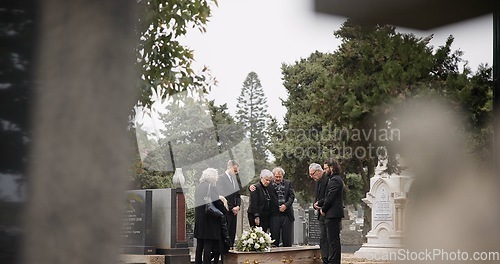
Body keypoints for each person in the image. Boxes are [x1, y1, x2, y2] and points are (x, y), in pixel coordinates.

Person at [249, 167, 295, 247]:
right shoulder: (268, 184)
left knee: (287, 240)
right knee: (274, 240)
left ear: (283, 176)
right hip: (274, 214)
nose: (278, 178)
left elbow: (292, 196)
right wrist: (250, 187)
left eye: (280, 177)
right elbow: (259, 186)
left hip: (287, 214)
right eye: (276, 176)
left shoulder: (288, 183)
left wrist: (286, 205)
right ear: (273, 176)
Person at [194, 168, 229, 264]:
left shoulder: (198, 187)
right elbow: (217, 202)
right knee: (208, 247)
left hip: (200, 219)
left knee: (199, 246)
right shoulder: (211, 187)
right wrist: (225, 210)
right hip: (210, 221)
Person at [320, 159, 344, 264]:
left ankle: (334, 261)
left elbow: (330, 197)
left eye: (326, 168)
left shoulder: (335, 180)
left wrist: (323, 209)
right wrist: (319, 203)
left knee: (333, 241)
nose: (324, 171)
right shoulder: (332, 179)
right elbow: (327, 196)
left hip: (332, 214)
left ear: (332, 168)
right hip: (332, 214)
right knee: (332, 240)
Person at [216, 160, 241, 248]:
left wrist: (238, 206)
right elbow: (222, 195)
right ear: (229, 167)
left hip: (234, 212)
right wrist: (231, 208)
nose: (236, 173)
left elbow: (238, 195)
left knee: (232, 233)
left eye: (237, 171)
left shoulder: (235, 180)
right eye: (234, 171)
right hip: (226, 211)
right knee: (225, 235)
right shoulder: (221, 178)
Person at [309, 162, 329, 264]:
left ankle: (329, 259)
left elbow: (329, 196)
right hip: (320, 214)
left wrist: (321, 205)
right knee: (323, 238)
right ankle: (324, 259)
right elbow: (317, 197)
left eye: (312, 174)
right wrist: (314, 205)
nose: (311, 176)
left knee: (329, 238)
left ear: (318, 171)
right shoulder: (317, 182)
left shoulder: (328, 179)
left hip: (328, 213)